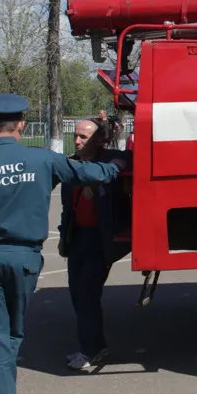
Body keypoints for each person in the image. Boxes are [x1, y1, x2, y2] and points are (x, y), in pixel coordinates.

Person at [0, 94, 126, 394]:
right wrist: (118, 167)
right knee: (11, 330)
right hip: (24, 258)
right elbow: (90, 175)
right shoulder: (42, 160)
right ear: (22, 126)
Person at [58, 118, 132, 371]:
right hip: (76, 236)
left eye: (83, 137)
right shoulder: (72, 163)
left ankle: (91, 349)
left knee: (88, 293)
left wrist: (106, 173)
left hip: (99, 238)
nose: (77, 141)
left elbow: (133, 160)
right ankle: (94, 344)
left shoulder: (112, 158)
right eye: (76, 136)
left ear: (98, 139)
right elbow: (67, 205)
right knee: (76, 293)